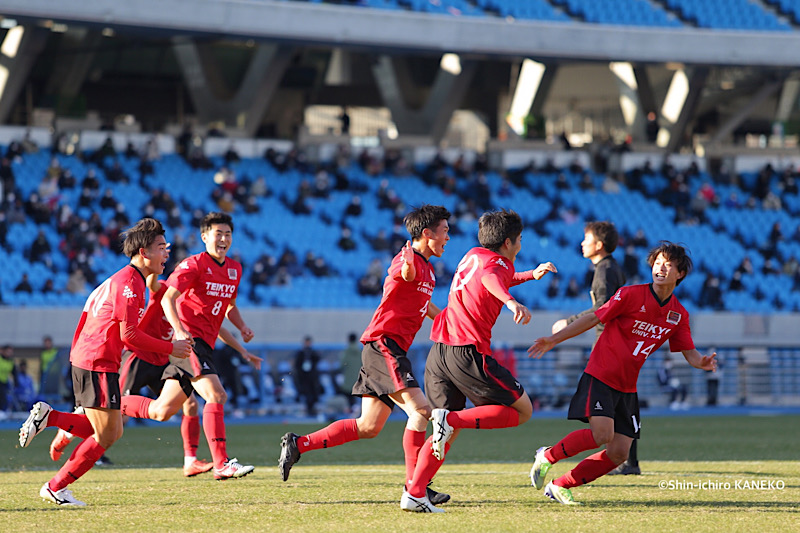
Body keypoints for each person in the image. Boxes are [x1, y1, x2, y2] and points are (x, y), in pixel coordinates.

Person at [279, 205, 453, 507]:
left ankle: (298, 444)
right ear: (427, 234)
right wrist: (409, 261)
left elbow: (423, 305)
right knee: (422, 412)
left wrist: (448, 322)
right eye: (445, 231)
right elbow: (404, 272)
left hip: (387, 348)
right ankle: (417, 487)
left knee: (368, 427)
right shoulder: (406, 259)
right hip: (385, 345)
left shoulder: (428, 268)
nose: (448, 238)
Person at [18, 218, 193, 506]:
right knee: (108, 433)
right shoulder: (130, 284)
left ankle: (51, 426)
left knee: (110, 430)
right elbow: (131, 336)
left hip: (92, 358)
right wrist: (170, 347)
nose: (167, 253)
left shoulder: (128, 278)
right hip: (97, 360)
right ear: (144, 252)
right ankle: (55, 483)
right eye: (162, 247)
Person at [527, 241, 717, 505]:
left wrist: (702, 363)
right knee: (601, 435)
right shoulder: (630, 295)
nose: (660, 268)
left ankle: (560, 486)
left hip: (628, 387)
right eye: (658, 262)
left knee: (619, 453)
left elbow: (689, 352)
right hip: (601, 374)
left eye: (668, 264)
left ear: (680, 273)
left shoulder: (678, 315)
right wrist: (553, 339)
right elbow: (595, 317)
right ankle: (547, 456)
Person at [402, 209, 557, 513]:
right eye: (520, 240)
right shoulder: (495, 265)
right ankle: (451, 421)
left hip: (440, 350)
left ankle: (415, 493)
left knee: (444, 431)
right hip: (467, 352)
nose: (521, 247)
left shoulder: (473, 255)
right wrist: (511, 302)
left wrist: (529, 274)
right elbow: (492, 279)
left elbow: (493, 275)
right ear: (509, 242)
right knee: (523, 410)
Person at [48, 271, 261, 478]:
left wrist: (242, 351)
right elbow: (152, 284)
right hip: (138, 358)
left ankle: (190, 461)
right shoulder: (167, 290)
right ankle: (74, 429)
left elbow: (217, 329)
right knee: (114, 414)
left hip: (163, 359)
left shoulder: (190, 302)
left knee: (189, 405)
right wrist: (152, 265)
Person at [117, 212, 257, 481]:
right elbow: (168, 296)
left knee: (163, 410)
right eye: (218, 234)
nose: (224, 239)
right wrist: (180, 331)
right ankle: (221, 463)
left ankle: (114, 404)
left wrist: (242, 329)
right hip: (190, 342)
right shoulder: (192, 265)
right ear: (204, 237)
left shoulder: (235, 270)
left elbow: (229, 307)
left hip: (203, 344)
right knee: (216, 395)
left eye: (228, 234)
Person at [549, 222, 636, 476]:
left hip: (609, 344)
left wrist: (569, 322)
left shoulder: (605, 270)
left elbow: (603, 310)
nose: (582, 243)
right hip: (619, 344)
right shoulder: (611, 267)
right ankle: (628, 461)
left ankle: (621, 460)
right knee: (622, 403)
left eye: (586, 239)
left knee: (609, 405)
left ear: (599, 245)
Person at [292, 336, 322, 416]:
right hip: (304, 378)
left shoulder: (313, 353)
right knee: (307, 394)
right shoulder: (301, 353)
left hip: (312, 378)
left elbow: (317, 360)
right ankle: (309, 409)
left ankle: (312, 408)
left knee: (314, 394)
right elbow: (297, 366)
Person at [338, 332, 362, 412]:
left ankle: (350, 412)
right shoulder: (360, 351)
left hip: (348, 380)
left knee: (348, 398)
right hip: (358, 379)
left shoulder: (346, 351)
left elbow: (342, 364)